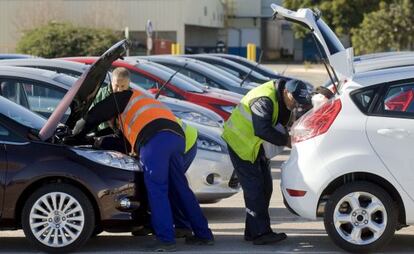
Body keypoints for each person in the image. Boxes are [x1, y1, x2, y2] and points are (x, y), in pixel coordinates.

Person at [72, 67, 214, 251]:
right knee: (180, 188)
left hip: (155, 141)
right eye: (118, 85)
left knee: (157, 189)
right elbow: (122, 139)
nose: (120, 88)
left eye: (121, 85)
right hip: (177, 138)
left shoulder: (119, 97)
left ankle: (165, 240)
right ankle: (204, 235)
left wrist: (73, 136)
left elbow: (92, 117)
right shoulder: (139, 96)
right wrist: (98, 141)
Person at [222, 78, 312, 245]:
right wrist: (286, 141)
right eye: (295, 102)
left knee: (265, 188)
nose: (295, 106)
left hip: (255, 146)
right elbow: (262, 129)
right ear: (287, 92)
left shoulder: (280, 97)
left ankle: (252, 231)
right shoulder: (264, 99)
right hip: (240, 144)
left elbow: (281, 122)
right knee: (255, 189)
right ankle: (260, 233)